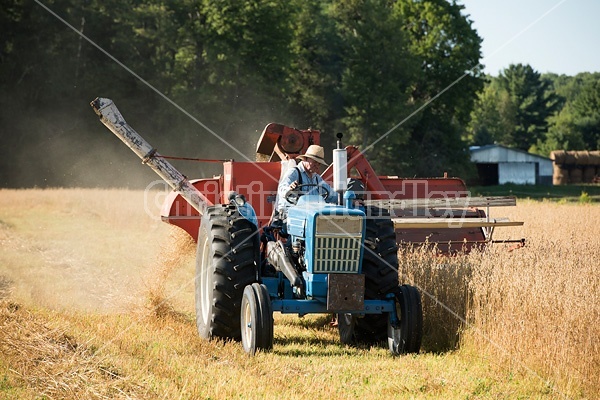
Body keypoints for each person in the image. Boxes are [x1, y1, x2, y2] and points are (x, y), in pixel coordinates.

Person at [276, 144, 337, 215]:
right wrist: (289, 189)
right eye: (314, 162)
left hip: (310, 215)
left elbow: (332, 194)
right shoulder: (294, 172)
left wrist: (347, 199)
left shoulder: (317, 178)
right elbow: (282, 188)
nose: (317, 166)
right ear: (305, 159)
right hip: (291, 215)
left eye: (319, 164)